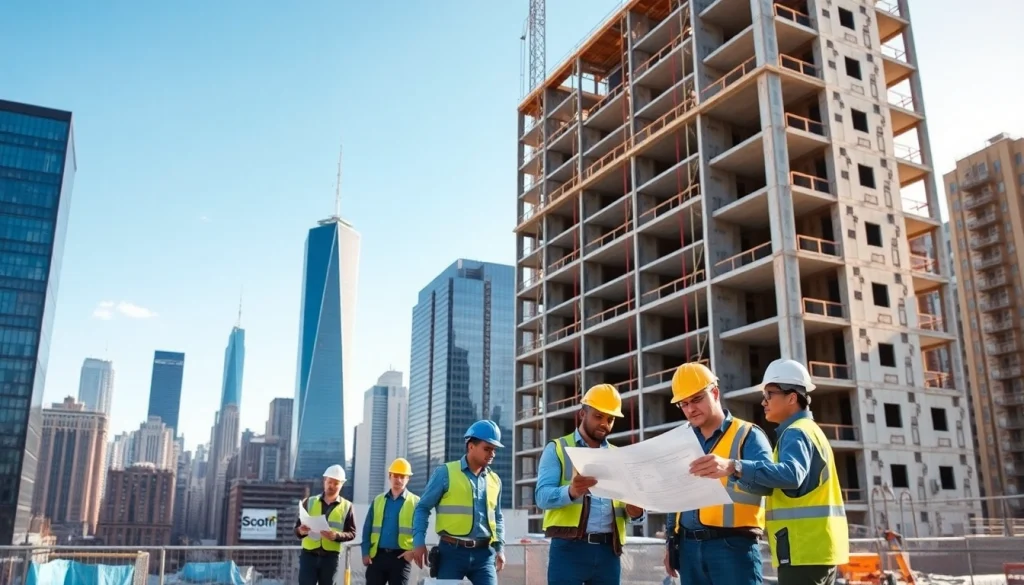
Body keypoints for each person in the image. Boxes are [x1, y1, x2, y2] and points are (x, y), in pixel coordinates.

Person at [691, 359, 850, 585]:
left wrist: (734, 466)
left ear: (792, 398)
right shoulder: (810, 430)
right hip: (818, 548)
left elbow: (792, 475)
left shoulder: (796, 433)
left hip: (803, 548)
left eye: (769, 394)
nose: (764, 402)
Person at [666, 362, 773, 585]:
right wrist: (671, 542)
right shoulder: (681, 441)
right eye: (683, 404)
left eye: (696, 399)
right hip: (688, 548)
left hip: (733, 548)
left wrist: (734, 467)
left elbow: (769, 483)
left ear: (714, 393)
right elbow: (674, 497)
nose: (690, 409)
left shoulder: (748, 435)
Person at [535, 383, 646, 585]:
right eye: (598, 416)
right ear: (582, 414)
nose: (604, 423)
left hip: (608, 552)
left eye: (610, 419)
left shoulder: (618, 456)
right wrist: (571, 491)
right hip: (569, 550)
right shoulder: (558, 449)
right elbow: (542, 497)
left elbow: (633, 511)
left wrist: (637, 512)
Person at [405, 420, 505, 585]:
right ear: (471, 446)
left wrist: (499, 548)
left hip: (485, 555)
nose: (492, 454)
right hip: (451, 553)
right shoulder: (445, 473)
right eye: (487, 448)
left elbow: (498, 517)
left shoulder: (495, 480)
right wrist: (418, 542)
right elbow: (422, 508)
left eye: (494, 450)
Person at [361, 458, 420, 585]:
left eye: (402, 476)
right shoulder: (378, 500)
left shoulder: (416, 502)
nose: (398, 480)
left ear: (408, 479)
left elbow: (421, 531)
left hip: (401, 558)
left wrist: (413, 552)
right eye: (395, 476)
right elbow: (367, 528)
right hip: (377, 557)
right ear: (389, 476)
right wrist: (365, 552)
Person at [295, 464, 357, 585]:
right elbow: (297, 530)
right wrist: (301, 531)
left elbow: (352, 533)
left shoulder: (347, 506)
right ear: (324, 481)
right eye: (330, 482)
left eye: (336, 483)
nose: (332, 486)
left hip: (330, 558)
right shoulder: (309, 502)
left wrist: (336, 536)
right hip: (309, 556)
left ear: (341, 485)